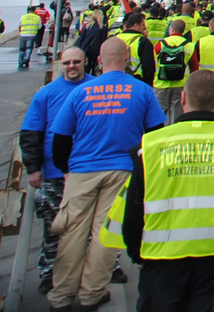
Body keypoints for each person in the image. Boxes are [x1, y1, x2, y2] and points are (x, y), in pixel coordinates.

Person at [101, 69, 214, 312]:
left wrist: (138, 255)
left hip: (161, 262)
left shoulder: (151, 146)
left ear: (184, 99)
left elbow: (134, 210)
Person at [46, 36, 167, 311]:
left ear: (98, 61)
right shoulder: (143, 91)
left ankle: (62, 295)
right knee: (105, 234)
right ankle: (92, 293)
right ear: (126, 58)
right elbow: (156, 135)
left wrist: (66, 169)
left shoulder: (80, 93)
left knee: (72, 232)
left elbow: (61, 137)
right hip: (123, 170)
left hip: (82, 169)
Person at [21, 48, 92, 294]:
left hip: (88, 172)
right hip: (53, 174)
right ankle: (48, 271)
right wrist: (33, 169)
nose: (71, 66)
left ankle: (98, 272)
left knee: (94, 228)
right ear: (61, 64)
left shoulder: (97, 88)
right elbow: (31, 133)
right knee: (53, 227)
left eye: (76, 62)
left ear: (85, 62)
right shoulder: (46, 95)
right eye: (67, 62)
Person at [152, 20, 200, 123]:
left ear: (171, 29)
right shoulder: (189, 46)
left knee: (159, 115)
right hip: (180, 84)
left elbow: (152, 61)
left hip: (161, 84)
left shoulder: (161, 44)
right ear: (183, 31)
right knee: (176, 115)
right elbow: (194, 68)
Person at [116, 11, 158, 86]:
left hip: (116, 82)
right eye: (143, 24)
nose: (145, 27)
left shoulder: (115, 38)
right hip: (137, 82)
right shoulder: (143, 41)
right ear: (136, 25)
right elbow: (148, 68)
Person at [19, 5, 42, 69]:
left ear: (28, 11)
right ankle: (26, 60)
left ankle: (20, 62)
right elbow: (39, 27)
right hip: (32, 35)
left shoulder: (23, 17)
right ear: (34, 11)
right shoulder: (37, 17)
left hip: (23, 34)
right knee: (29, 48)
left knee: (22, 49)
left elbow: (18, 24)